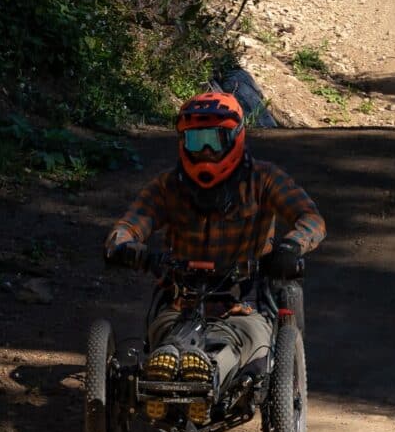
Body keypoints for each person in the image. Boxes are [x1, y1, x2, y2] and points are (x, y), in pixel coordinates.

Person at [104, 90, 324, 394]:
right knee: (167, 335)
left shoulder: (264, 179)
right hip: (181, 299)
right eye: (196, 140)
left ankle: (207, 372)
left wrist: (291, 246)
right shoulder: (167, 187)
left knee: (239, 338)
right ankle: (168, 363)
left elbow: (310, 218)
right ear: (183, 142)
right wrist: (124, 246)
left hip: (245, 303)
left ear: (236, 137)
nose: (206, 150)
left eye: (215, 139)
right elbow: (129, 225)